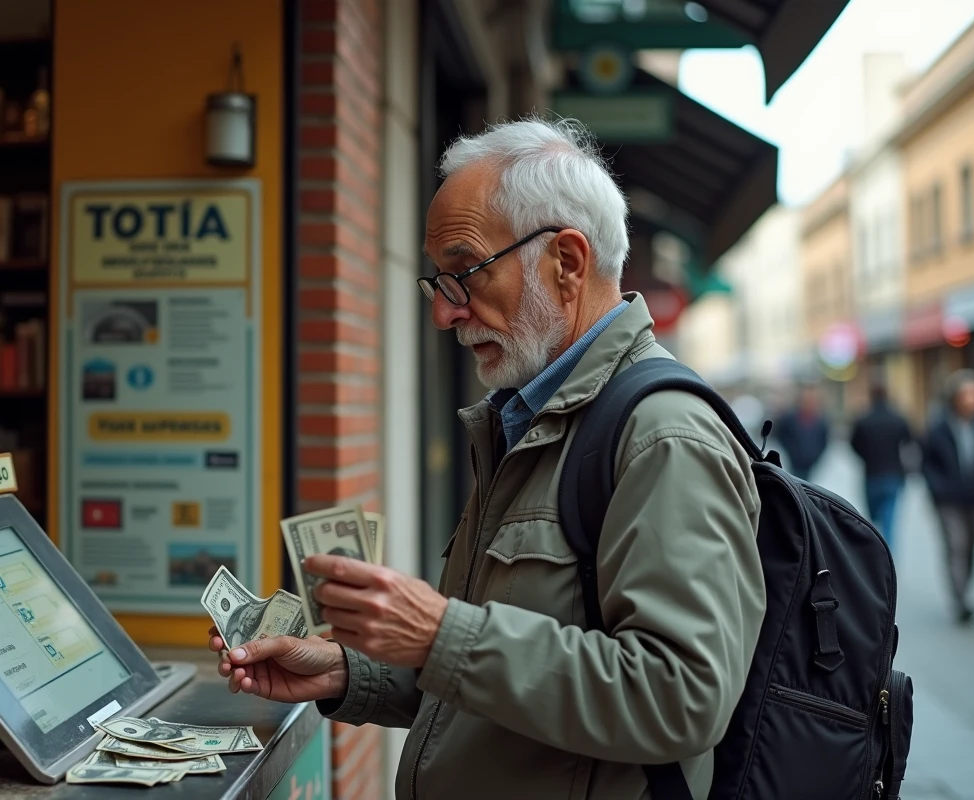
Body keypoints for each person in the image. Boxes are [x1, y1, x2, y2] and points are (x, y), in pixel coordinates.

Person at [210, 118, 765, 799]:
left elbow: (680, 699)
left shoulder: (662, 434)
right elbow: (501, 681)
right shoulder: (528, 417)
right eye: (437, 282)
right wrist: (353, 673)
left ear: (566, 262)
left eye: (465, 272)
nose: (446, 314)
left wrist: (440, 633)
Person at [922, 369, 974, 625]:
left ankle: (965, 589)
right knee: (956, 545)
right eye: (967, 394)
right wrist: (937, 487)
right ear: (955, 398)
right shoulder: (939, 427)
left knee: (972, 548)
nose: (972, 399)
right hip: (948, 500)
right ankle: (960, 599)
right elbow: (926, 461)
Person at [849, 382, 915, 550]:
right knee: (890, 519)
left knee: (874, 517)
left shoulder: (863, 420)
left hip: (872, 474)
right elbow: (909, 442)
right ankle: (888, 552)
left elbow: (854, 445)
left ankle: (878, 550)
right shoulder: (898, 419)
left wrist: (866, 457)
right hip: (893, 474)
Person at [772, 384, 831, 480]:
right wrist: (791, 451)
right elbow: (780, 435)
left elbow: (824, 441)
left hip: (810, 462)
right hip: (794, 461)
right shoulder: (789, 418)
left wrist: (815, 456)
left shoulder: (821, 421)